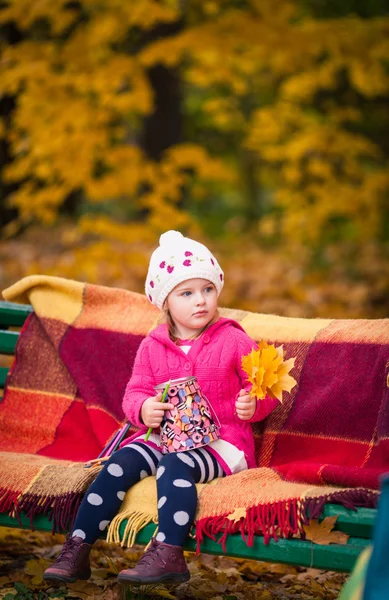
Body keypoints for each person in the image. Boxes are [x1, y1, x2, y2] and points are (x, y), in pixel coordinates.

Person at [43, 230, 280, 585]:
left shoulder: (234, 340)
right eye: (186, 293)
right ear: (165, 302)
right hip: (165, 435)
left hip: (223, 443)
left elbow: (264, 388)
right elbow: (134, 394)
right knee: (121, 462)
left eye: (208, 289)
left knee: (174, 465)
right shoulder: (152, 347)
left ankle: (169, 553)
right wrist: (144, 410)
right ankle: (77, 548)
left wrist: (253, 404)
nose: (200, 300)